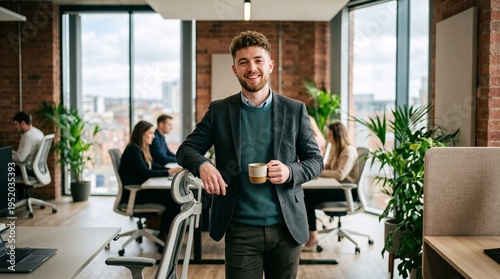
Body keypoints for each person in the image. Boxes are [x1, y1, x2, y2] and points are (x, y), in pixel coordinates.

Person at [176, 30, 323, 279]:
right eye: (243, 62)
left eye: (258, 60)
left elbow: (315, 161)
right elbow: (185, 150)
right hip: (240, 228)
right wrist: (204, 165)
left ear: (270, 65)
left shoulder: (295, 110)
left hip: (286, 228)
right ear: (235, 69)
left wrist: (290, 171)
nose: (251, 67)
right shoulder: (220, 111)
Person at [118, 120, 183, 241]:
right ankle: (165, 235)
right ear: (142, 134)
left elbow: (152, 166)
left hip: (141, 191)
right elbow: (146, 173)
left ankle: (167, 233)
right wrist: (169, 172)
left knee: (174, 196)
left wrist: (171, 170)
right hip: (135, 195)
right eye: (151, 133)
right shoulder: (133, 150)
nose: (153, 136)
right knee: (174, 199)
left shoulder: (141, 149)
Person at [303, 121, 360, 250]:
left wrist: (320, 172)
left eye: (330, 135)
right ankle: (311, 232)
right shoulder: (336, 149)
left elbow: (340, 175)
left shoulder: (348, 151)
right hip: (337, 188)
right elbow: (328, 166)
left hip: (345, 192)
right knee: (306, 195)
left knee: (307, 197)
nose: (328, 138)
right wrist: (316, 169)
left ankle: (313, 235)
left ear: (337, 135)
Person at [12, 111, 44, 176]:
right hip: (37, 170)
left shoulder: (28, 136)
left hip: (27, 171)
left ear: (23, 123)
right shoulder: (38, 132)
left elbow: (19, 159)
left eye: (16, 124)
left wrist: (4, 156)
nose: (15, 127)